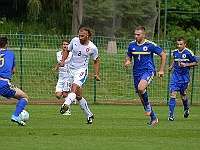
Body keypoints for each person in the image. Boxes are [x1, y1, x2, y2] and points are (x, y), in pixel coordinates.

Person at [125, 26, 166, 126]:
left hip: (148, 71)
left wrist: (161, 70)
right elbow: (129, 55)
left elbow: (163, 55)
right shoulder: (132, 45)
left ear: (144, 35)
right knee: (141, 97)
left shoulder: (150, 45)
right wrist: (128, 61)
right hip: (136, 73)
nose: (136, 36)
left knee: (141, 88)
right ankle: (154, 118)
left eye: (138, 34)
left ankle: (148, 106)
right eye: (135, 34)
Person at [59, 27, 100, 124]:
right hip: (71, 69)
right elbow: (67, 51)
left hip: (81, 71)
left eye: (82, 36)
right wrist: (63, 61)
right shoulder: (74, 41)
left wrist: (96, 74)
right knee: (78, 96)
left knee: (74, 88)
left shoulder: (92, 47)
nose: (80, 37)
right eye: (79, 35)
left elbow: (96, 62)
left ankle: (66, 104)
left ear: (87, 35)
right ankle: (90, 115)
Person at [168, 37, 198, 121]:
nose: (179, 46)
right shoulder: (175, 52)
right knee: (173, 94)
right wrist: (171, 66)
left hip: (184, 78)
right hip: (175, 76)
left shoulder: (188, 52)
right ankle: (171, 115)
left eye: (181, 44)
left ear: (184, 44)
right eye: (177, 44)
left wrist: (186, 65)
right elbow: (174, 59)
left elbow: (196, 63)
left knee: (183, 96)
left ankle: (186, 108)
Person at [0, 36, 28, 126]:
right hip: (3, 83)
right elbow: (14, 71)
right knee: (24, 97)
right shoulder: (10, 54)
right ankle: (15, 115)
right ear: (6, 45)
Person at [52, 39, 72, 115]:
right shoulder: (58, 54)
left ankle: (68, 110)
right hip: (61, 77)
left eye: (67, 44)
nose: (65, 46)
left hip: (68, 76)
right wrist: (55, 69)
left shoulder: (71, 54)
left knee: (65, 94)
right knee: (58, 95)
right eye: (64, 44)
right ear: (62, 45)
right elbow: (59, 63)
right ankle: (72, 97)